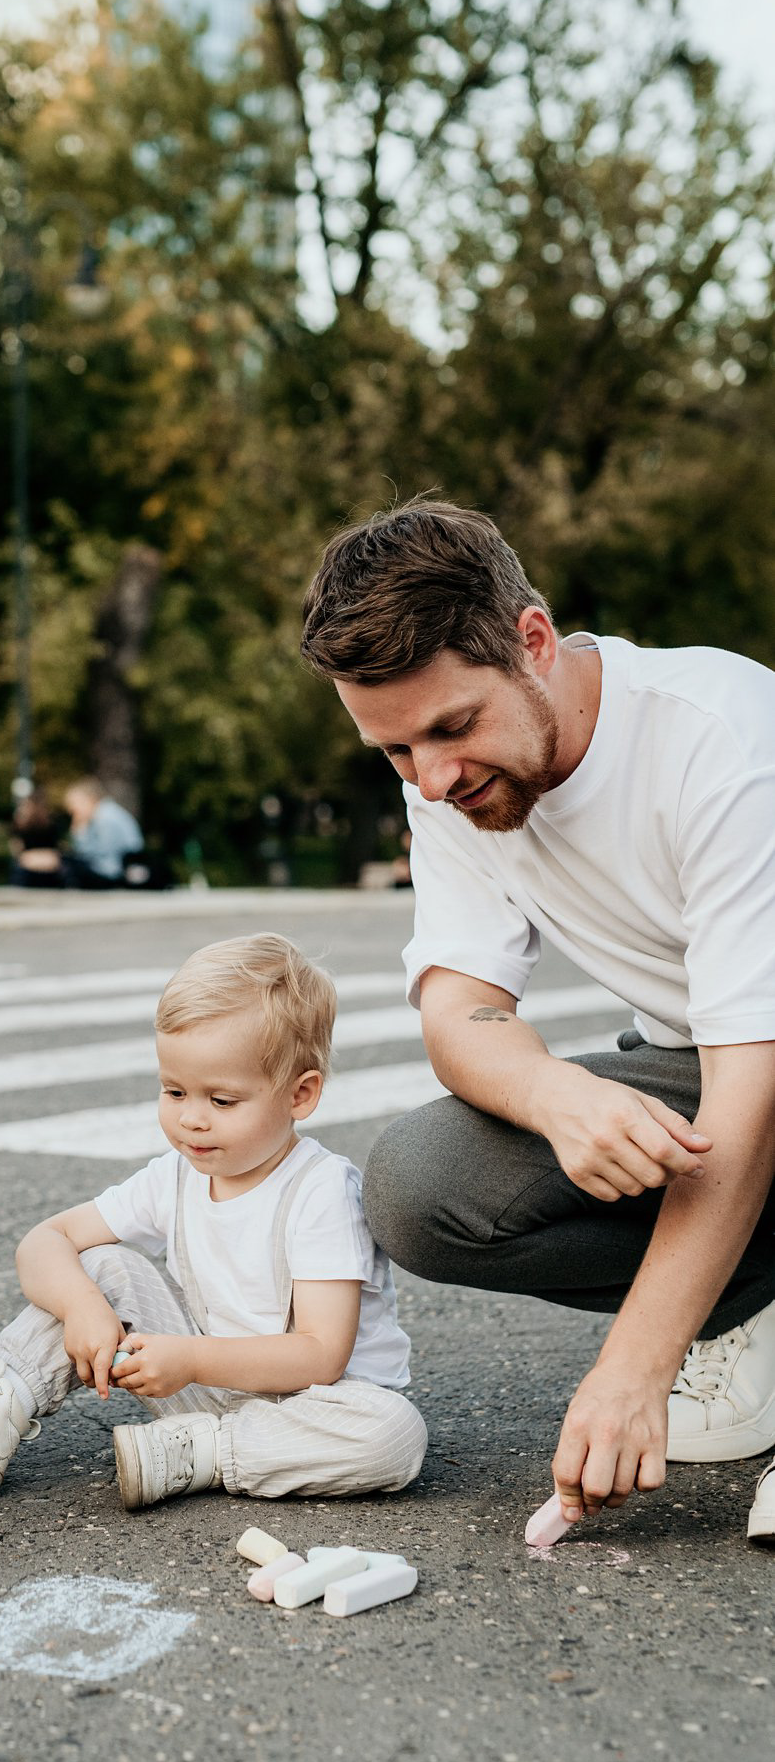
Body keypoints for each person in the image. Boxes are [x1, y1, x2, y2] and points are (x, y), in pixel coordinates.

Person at [300, 498, 775, 1545]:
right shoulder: (449, 787)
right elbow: (459, 1009)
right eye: (391, 753)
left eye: (451, 727)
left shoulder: (721, 740)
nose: (430, 778)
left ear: (532, 639)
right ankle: (746, 1309)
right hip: (705, 1059)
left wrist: (631, 1371)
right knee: (421, 1187)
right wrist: (554, 1094)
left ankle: (697, 1325)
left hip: (760, 1065)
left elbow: (755, 1084)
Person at [0, 935, 426, 1510]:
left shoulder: (321, 1190)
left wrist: (190, 1359)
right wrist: (84, 1307)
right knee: (103, 1266)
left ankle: (201, 1452)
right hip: (199, 1383)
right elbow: (45, 1241)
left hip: (314, 1408)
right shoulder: (175, 1176)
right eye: (174, 1091)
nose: (191, 1119)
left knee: (392, 1433)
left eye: (222, 1101)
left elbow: (320, 1353)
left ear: (300, 1096)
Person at [63, 777, 144, 889]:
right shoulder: (106, 814)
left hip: (114, 872)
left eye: (74, 806)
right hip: (118, 867)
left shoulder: (105, 818)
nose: (71, 811)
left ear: (89, 799)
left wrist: (79, 832)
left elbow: (100, 854)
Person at [8, 786, 65, 889]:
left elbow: (16, 849)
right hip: (44, 860)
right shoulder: (52, 823)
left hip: (39, 860)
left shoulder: (21, 824)